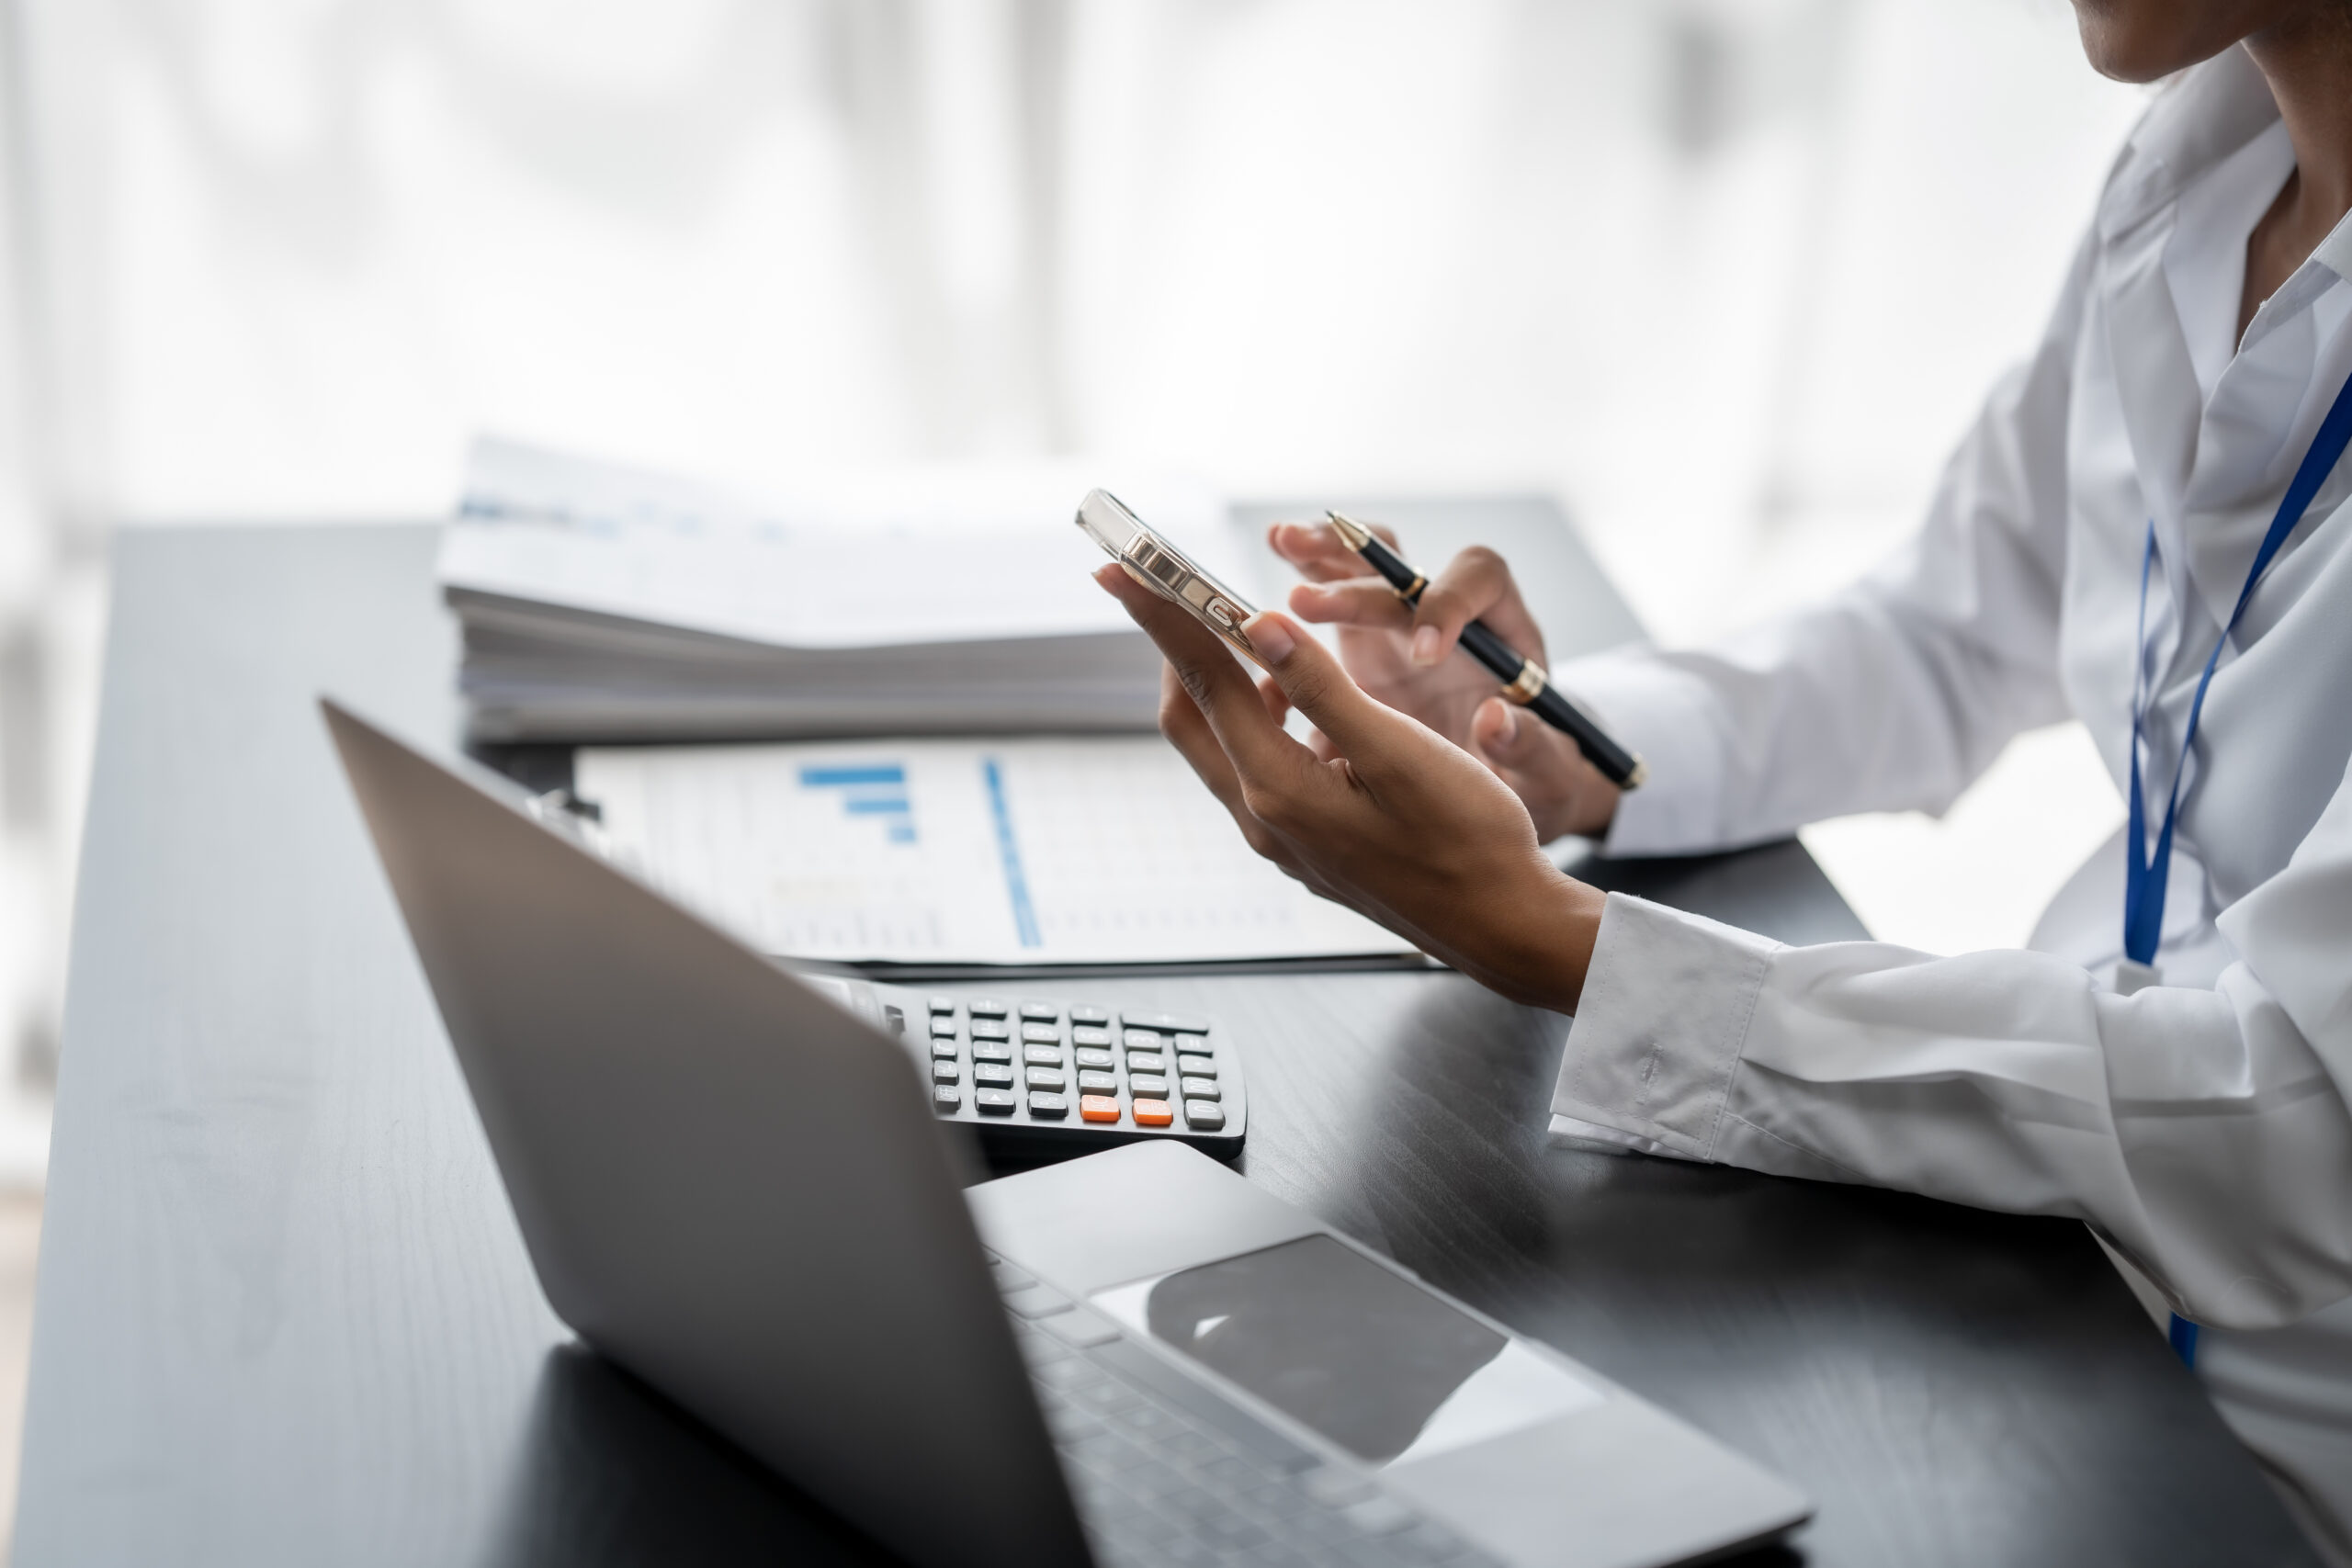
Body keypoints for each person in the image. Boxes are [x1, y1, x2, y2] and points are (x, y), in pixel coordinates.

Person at [1093, 1, 2352, 1558]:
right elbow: (1955, 621)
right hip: (2076, 1280)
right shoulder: (2205, 162)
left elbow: (2296, 1124)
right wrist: (1560, 757)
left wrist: (1559, 943)